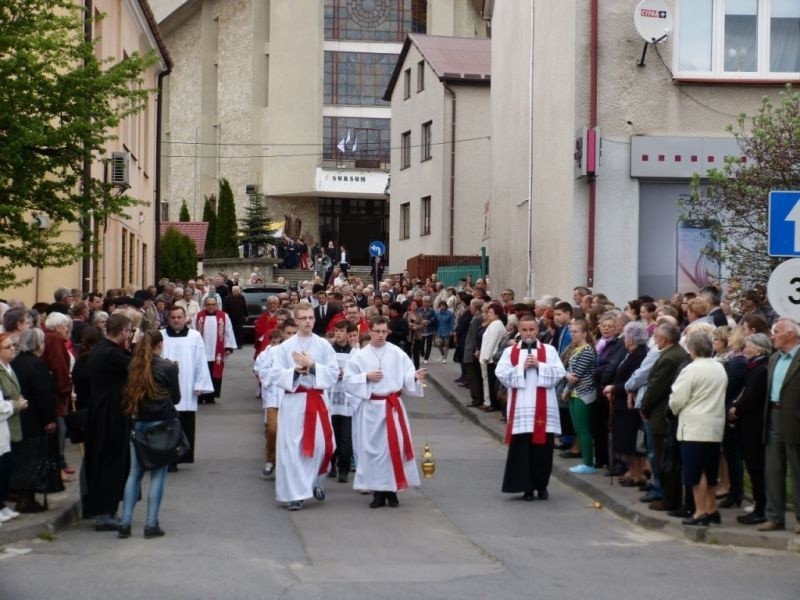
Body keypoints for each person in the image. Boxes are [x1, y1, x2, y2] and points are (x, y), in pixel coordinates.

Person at [345, 317, 427, 508]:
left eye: (384, 331)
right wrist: (365, 376)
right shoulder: (360, 356)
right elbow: (348, 381)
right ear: (370, 331)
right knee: (373, 451)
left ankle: (392, 490)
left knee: (393, 448)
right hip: (371, 409)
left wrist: (414, 376)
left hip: (392, 407)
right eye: (377, 331)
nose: (381, 335)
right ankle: (378, 492)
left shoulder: (397, 353)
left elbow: (407, 374)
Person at [269, 304, 339, 510]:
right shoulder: (285, 346)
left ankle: (316, 481)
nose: (308, 321)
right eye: (303, 318)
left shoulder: (323, 345)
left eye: (311, 317)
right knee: (293, 450)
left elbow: (334, 372)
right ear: (296, 320)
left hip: (316, 401)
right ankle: (295, 495)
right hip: (294, 403)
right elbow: (274, 374)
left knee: (323, 446)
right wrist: (296, 372)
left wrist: (313, 366)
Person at [118, 331, 181, 539]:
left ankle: (125, 522)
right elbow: (177, 398)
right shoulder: (167, 367)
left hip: (139, 423)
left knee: (134, 474)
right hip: (161, 424)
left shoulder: (133, 367)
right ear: (160, 345)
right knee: (158, 475)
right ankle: (151, 523)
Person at [496, 314, 565, 500]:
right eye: (524, 330)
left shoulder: (549, 350)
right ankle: (526, 487)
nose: (528, 333)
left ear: (537, 330)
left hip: (544, 408)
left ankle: (541, 486)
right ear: (519, 330)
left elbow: (560, 372)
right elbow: (500, 373)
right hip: (521, 409)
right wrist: (521, 368)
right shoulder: (510, 352)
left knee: (543, 451)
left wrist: (540, 366)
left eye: (531, 329)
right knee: (523, 450)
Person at [668, 331, 728, 526]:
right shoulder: (719, 368)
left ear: (692, 349)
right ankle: (712, 509)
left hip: (694, 426)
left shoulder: (691, 370)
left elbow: (677, 399)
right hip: (715, 425)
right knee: (710, 472)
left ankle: (700, 511)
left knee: (695, 473)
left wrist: (674, 408)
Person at [82, 314, 132, 531]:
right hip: (110, 413)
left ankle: (104, 509)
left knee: (103, 459)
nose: (129, 335)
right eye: (128, 331)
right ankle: (105, 513)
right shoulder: (111, 354)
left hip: (101, 409)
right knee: (109, 461)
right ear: (122, 332)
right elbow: (135, 368)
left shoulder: (101, 349)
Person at [639, 322, 689, 510]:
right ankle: (662, 491)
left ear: (664, 339)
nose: (654, 339)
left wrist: (644, 406)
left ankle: (663, 493)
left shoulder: (669, 357)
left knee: (659, 455)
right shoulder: (673, 353)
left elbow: (656, 387)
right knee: (660, 455)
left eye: (657, 336)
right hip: (660, 412)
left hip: (660, 414)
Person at [758, 317, 800, 532]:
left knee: (797, 470)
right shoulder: (774, 358)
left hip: (795, 419)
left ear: (790, 335)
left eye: (777, 331)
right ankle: (774, 516)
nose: (772, 335)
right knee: (773, 469)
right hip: (773, 416)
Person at [161, 306, 214, 467]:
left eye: (179, 317)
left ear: (185, 319)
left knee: (185, 420)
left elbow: (200, 361)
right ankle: (168, 457)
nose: (176, 320)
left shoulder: (194, 336)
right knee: (166, 422)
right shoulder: (161, 335)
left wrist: (200, 384)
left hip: (187, 384)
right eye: (173, 317)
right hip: (165, 387)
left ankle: (183, 454)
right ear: (168, 319)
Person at [729, 333, 771, 525]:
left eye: (748, 346)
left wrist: (736, 408)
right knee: (753, 467)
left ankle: (760, 509)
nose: (745, 349)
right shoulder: (755, 367)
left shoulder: (760, 369)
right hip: (748, 424)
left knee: (756, 468)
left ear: (759, 349)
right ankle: (759, 505)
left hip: (754, 425)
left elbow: (751, 396)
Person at [563, 318, 598, 474]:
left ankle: (588, 463)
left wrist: (566, 389)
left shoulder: (587, 350)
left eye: (575, 332)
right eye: (571, 331)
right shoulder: (576, 349)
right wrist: (567, 378)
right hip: (575, 393)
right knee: (578, 428)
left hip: (583, 394)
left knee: (584, 429)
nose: (572, 334)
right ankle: (585, 460)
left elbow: (576, 375)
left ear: (584, 333)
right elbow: (569, 373)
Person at [0, 334, 27, 523]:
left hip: (9, 427)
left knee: (7, 467)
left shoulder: (10, 368)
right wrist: (16, 405)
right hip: (4, 421)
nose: (13, 349)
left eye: (13, 346)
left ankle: (1, 504)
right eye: (8, 347)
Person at [193, 297, 237, 405]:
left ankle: (211, 396)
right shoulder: (198, 316)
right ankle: (200, 395)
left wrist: (228, 347)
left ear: (217, 305)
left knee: (215, 373)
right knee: (200, 373)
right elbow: (193, 331)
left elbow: (228, 331)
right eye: (208, 304)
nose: (211, 306)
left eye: (213, 304)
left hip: (217, 351)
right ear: (205, 305)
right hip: (202, 350)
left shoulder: (223, 316)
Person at [328, 321, 356, 483]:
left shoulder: (354, 352)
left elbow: (359, 371)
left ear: (348, 333)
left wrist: (347, 373)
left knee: (345, 436)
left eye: (342, 331)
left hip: (347, 400)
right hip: (331, 397)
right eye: (336, 330)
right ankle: (331, 465)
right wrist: (333, 373)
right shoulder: (329, 350)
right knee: (330, 433)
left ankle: (343, 468)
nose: (338, 334)